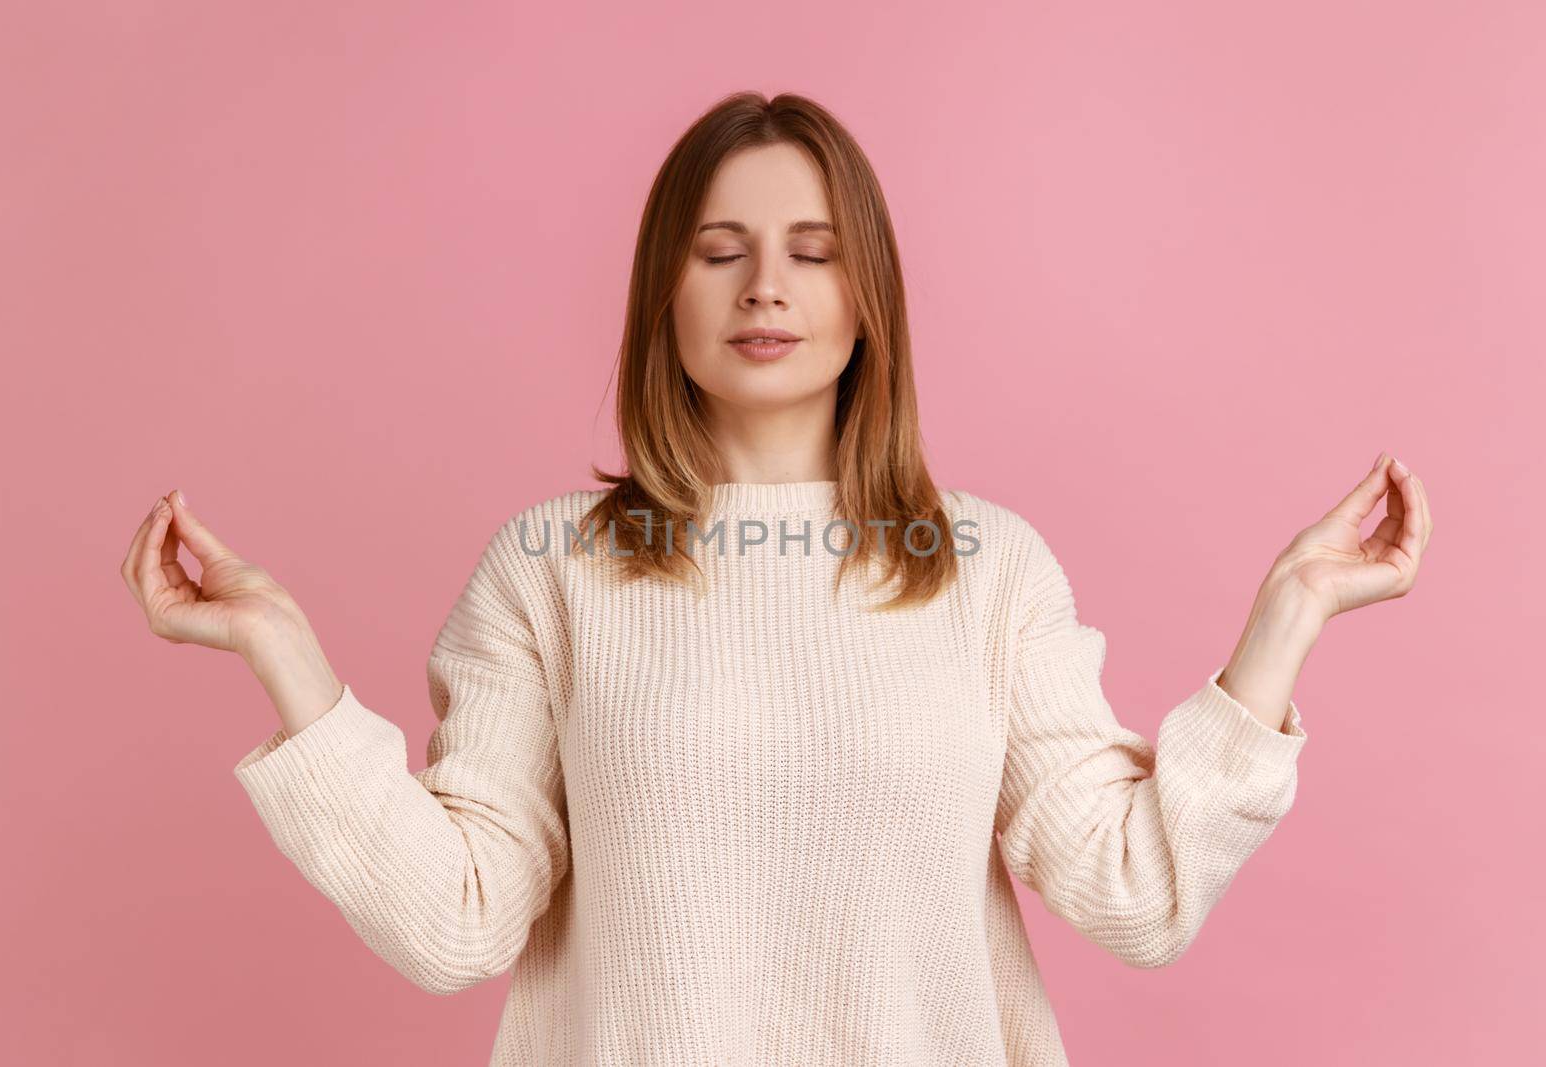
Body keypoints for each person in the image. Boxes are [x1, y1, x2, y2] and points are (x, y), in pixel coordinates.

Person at [119, 91, 1431, 1066]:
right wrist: (285, 657)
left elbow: (1136, 896)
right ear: (665, 297)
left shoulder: (983, 568)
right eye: (717, 249)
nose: (765, 287)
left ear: (869, 299)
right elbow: (456, 924)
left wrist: (1291, 615)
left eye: (812, 250)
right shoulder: (549, 572)